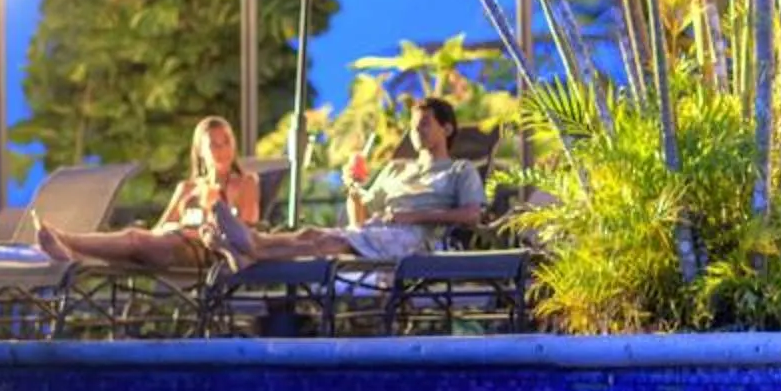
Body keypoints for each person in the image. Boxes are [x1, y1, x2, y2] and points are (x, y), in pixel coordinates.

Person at [215, 97, 485, 261]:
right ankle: (252, 243)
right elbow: (359, 220)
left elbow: (472, 215)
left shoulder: (459, 170)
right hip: (381, 233)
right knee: (312, 233)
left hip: (419, 240)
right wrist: (353, 190)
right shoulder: (396, 169)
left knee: (329, 244)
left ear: (447, 128)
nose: (416, 131)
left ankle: (252, 248)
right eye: (413, 126)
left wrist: (411, 217)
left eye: (424, 123)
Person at [33, 116, 261, 269]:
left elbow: (247, 234)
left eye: (226, 142)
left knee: (134, 239)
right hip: (170, 243)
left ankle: (67, 242)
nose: (222, 150)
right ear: (201, 151)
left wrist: (208, 220)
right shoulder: (188, 189)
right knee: (136, 244)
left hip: (203, 254)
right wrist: (175, 228)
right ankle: (72, 253)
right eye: (214, 145)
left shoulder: (245, 184)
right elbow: (160, 228)